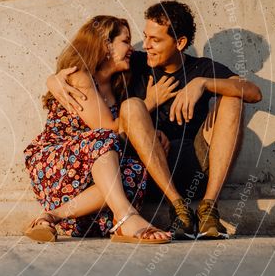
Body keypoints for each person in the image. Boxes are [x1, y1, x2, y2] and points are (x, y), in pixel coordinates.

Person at [47, 1, 262, 239]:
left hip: (196, 167)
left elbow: (254, 92)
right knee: (131, 105)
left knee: (233, 97)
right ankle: (178, 208)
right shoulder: (136, 63)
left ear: (179, 43)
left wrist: (203, 83)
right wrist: (54, 79)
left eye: (156, 40)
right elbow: (91, 67)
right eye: (145, 37)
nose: (146, 45)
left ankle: (209, 209)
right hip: (150, 173)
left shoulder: (201, 68)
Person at [23, 16, 170, 244]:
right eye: (125, 41)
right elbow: (108, 130)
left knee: (137, 170)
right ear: (105, 44)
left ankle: (52, 217)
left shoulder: (118, 85)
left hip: (86, 185)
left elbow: (121, 132)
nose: (131, 48)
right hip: (58, 167)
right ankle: (126, 217)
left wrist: (150, 131)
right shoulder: (78, 75)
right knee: (104, 138)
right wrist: (149, 102)